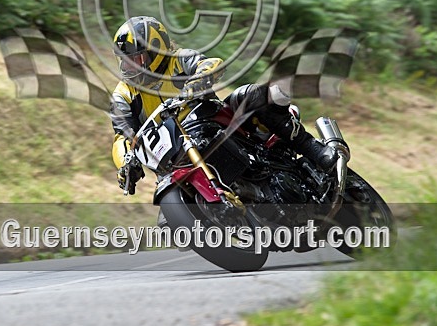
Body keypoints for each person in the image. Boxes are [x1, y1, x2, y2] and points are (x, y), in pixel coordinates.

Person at [109, 16, 337, 194]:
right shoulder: (123, 94)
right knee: (168, 225)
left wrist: (195, 83)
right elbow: (122, 137)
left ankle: (313, 150)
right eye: (124, 61)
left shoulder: (179, 60)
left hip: (213, 125)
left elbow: (211, 64)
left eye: (135, 59)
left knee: (252, 95)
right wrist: (125, 162)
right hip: (173, 158)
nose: (129, 67)